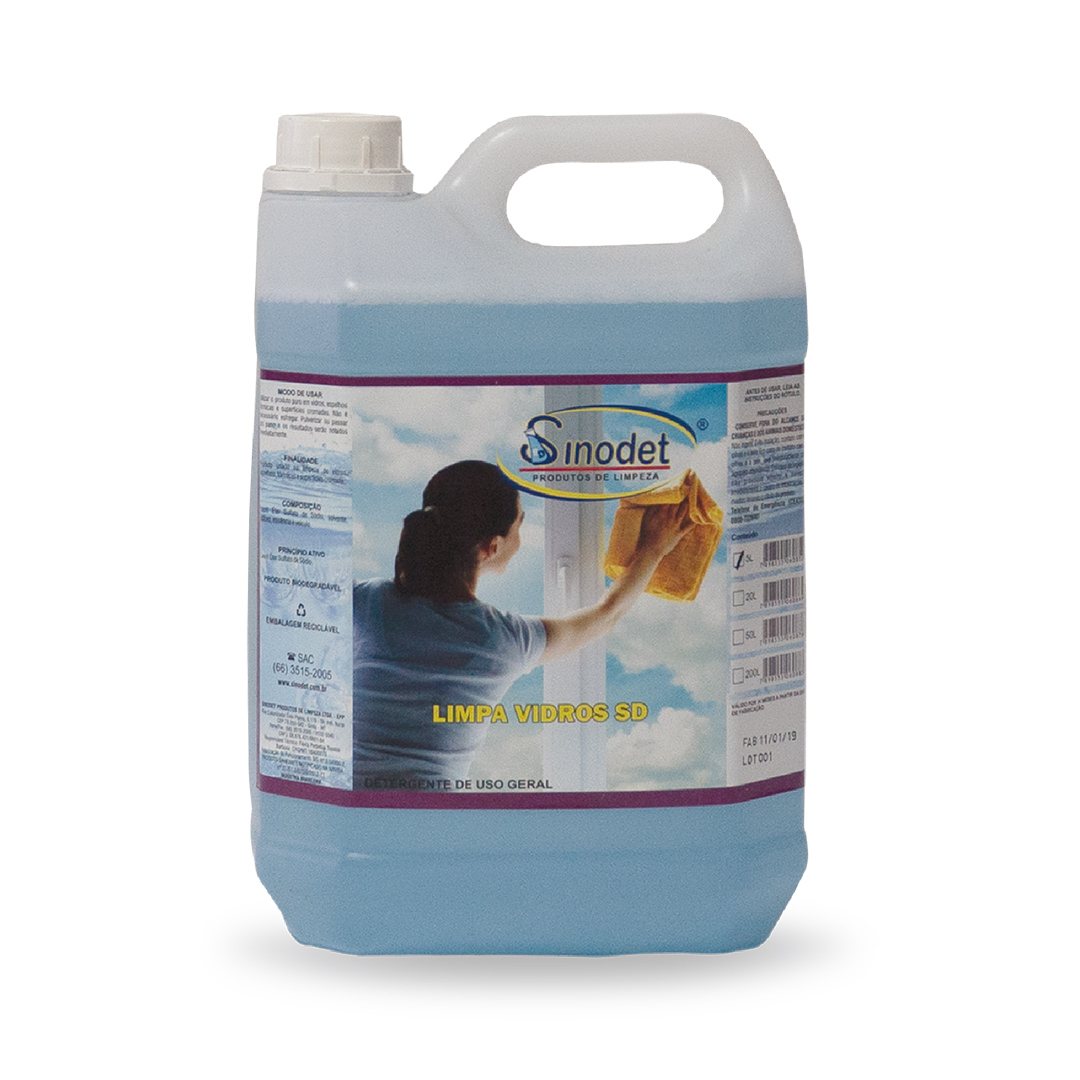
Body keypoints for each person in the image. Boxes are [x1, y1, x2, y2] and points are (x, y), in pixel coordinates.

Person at [352, 460, 690, 786]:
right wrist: (653, 547)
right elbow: (607, 615)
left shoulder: (366, 601)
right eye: (520, 525)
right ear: (492, 546)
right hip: (434, 817)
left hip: (356, 807)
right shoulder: (500, 641)